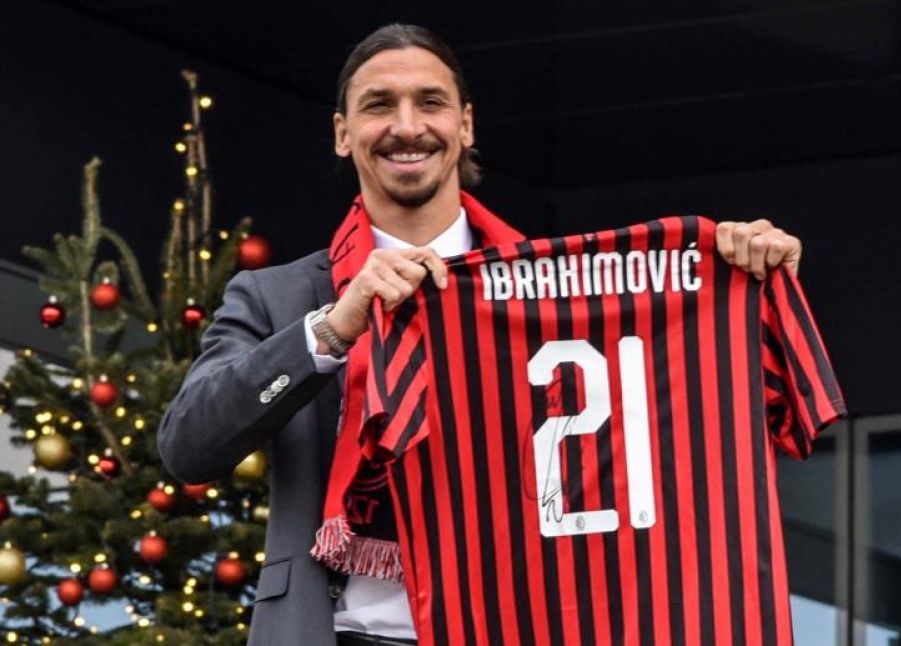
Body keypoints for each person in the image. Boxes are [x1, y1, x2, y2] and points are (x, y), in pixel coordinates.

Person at [157, 23, 803, 646]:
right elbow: (188, 446)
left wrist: (739, 277)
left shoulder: (558, 292)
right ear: (342, 134)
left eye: (430, 103)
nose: (407, 126)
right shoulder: (276, 297)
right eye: (379, 105)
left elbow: (673, 425)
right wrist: (333, 328)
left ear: (465, 125)